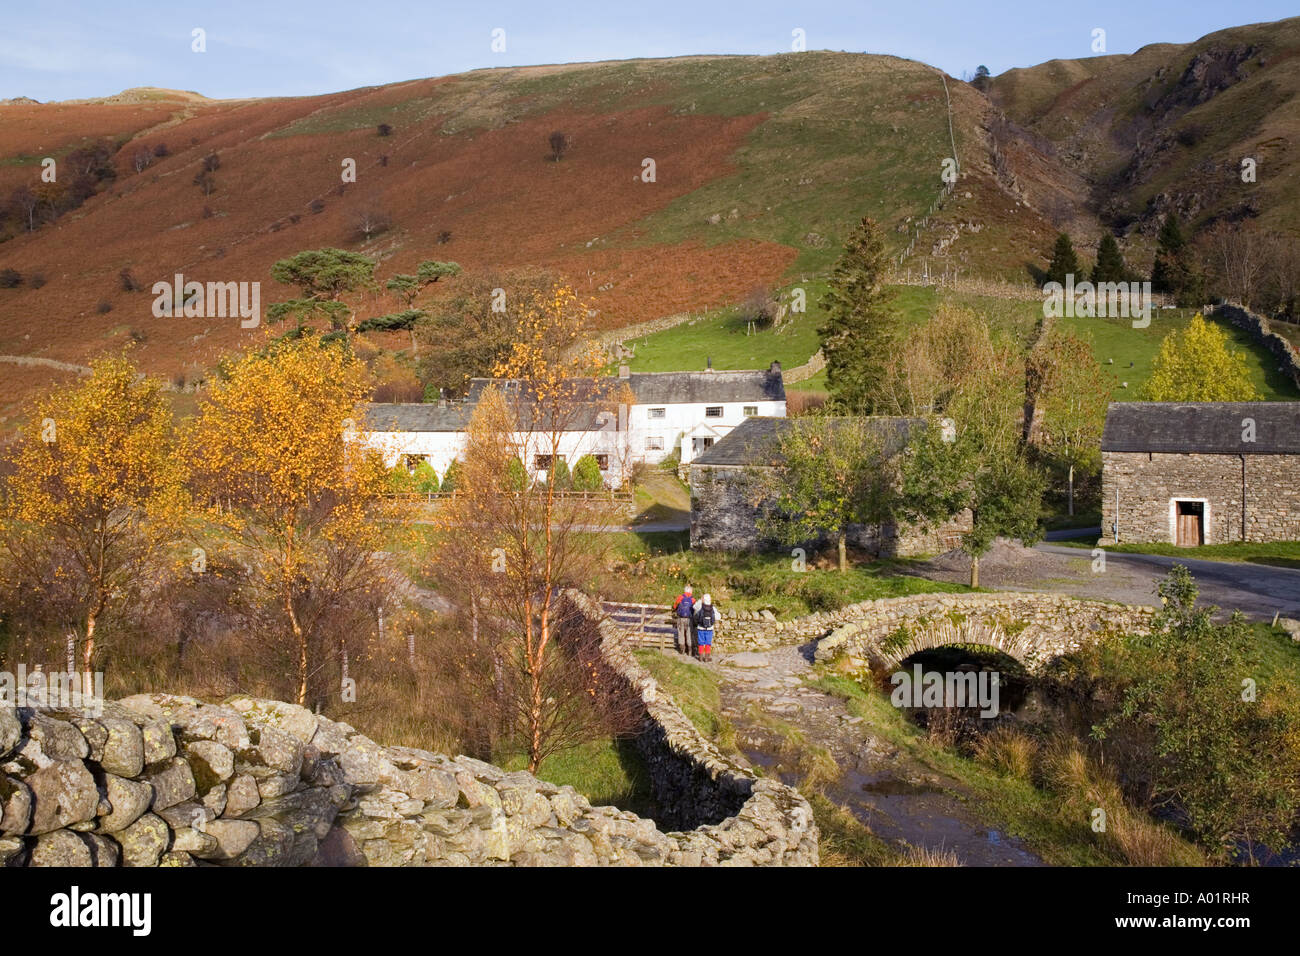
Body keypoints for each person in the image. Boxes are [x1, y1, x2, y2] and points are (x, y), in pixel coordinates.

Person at [671, 585, 695, 656]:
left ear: (684, 591)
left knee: (681, 633)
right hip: (689, 619)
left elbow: (675, 606)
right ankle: (690, 650)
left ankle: (682, 649)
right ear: (691, 591)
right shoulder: (693, 599)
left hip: (681, 618)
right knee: (689, 633)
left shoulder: (680, 597)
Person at [694, 594, 717, 663]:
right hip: (710, 628)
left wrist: (700, 600)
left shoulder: (700, 606)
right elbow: (718, 616)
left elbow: (694, 607)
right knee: (708, 643)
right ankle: (707, 657)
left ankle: (701, 657)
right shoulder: (713, 608)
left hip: (701, 627)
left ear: (703, 599)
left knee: (701, 642)